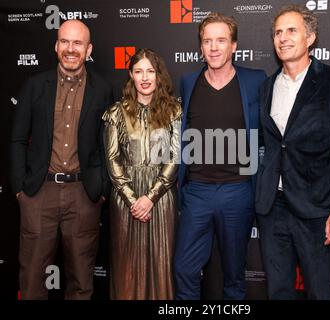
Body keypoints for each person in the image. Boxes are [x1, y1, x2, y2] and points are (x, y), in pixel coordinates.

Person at [255, 5, 330, 299]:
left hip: (316, 210)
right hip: (272, 209)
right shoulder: (267, 87)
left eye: (291, 31)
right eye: (278, 32)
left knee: (318, 292)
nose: (283, 38)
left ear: (310, 37)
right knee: (278, 291)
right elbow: (271, 146)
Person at [10, 19, 113, 299]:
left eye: (77, 43)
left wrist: (101, 189)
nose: (71, 49)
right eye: (65, 41)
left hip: (83, 194)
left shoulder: (102, 90)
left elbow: (108, 145)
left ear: (88, 48)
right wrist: (21, 189)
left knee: (81, 282)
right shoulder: (34, 85)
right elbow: (18, 140)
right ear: (56, 46)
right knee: (31, 281)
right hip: (39, 193)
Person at [173, 12, 267, 300]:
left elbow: (269, 131)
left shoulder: (255, 81)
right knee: (183, 269)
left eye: (221, 40)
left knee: (234, 274)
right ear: (201, 47)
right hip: (197, 192)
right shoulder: (188, 83)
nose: (214, 47)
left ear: (234, 46)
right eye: (207, 41)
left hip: (237, 191)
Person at [103, 49, 181, 300]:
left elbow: (175, 158)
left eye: (150, 71)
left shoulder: (173, 111)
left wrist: (150, 197)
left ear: (159, 76)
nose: (145, 77)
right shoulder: (116, 113)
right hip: (126, 199)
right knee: (127, 267)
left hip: (161, 197)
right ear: (131, 76)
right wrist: (133, 199)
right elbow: (112, 160)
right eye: (139, 71)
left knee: (162, 263)